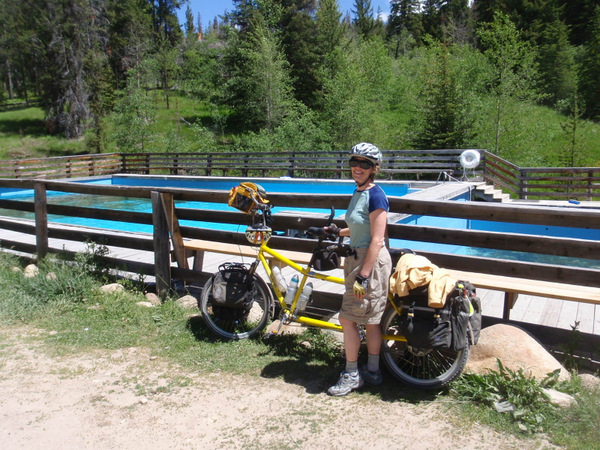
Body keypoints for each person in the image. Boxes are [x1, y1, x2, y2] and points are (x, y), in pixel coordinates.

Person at [327, 142, 393, 397]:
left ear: (374, 168)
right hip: (359, 258)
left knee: (347, 319)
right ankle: (373, 372)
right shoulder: (359, 191)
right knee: (372, 322)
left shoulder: (376, 195)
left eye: (365, 164)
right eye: (355, 162)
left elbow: (377, 239)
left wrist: (363, 276)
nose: (358, 167)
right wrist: (337, 231)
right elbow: (359, 227)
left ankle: (352, 374)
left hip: (370, 263)